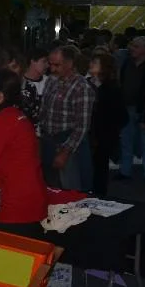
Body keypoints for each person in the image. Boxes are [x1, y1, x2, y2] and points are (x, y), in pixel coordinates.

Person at [0, 69, 49, 236]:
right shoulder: (17, 115)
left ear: (0, 95)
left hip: (16, 202)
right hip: (32, 196)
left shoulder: (1, 119)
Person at [39, 45, 95, 191]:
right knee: (50, 188)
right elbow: (44, 111)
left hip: (68, 143)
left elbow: (82, 126)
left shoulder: (81, 87)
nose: (52, 69)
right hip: (49, 141)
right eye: (51, 64)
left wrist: (65, 152)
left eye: (57, 65)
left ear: (69, 64)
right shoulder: (51, 81)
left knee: (70, 190)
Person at [87, 53, 128, 196]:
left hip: (103, 135)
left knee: (100, 168)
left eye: (95, 62)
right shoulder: (87, 83)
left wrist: (109, 130)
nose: (91, 64)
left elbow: (121, 115)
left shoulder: (112, 88)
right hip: (90, 132)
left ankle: (99, 195)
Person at [118, 36, 145, 181]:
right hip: (127, 106)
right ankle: (125, 170)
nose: (131, 48)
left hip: (144, 107)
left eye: (136, 46)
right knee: (126, 140)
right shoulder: (127, 62)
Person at [20, 48, 48, 128]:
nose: (47, 65)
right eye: (44, 61)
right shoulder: (19, 82)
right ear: (32, 61)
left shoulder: (49, 82)